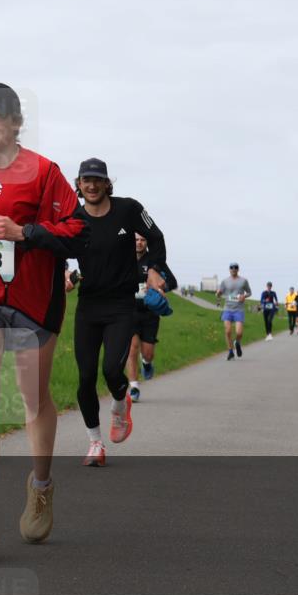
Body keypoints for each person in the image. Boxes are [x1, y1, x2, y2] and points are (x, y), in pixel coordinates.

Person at [0, 83, 88, 547]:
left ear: (16, 122)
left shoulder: (45, 172)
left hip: (34, 302)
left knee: (34, 399)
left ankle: (41, 487)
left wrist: (25, 232)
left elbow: (78, 233)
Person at [72, 158, 169, 467]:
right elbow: (58, 248)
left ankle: (119, 405)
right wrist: (66, 275)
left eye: (97, 180)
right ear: (79, 184)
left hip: (120, 306)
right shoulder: (73, 216)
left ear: (107, 183)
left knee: (112, 371)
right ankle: (95, 443)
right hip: (88, 305)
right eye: (86, 180)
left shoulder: (128, 209)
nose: (92, 185)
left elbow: (156, 237)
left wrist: (154, 268)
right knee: (86, 377)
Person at [125, 232, 177, 403]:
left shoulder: (154, 261)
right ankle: (134, 387)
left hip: (150, 313)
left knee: (147, 353)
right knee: (132, 348)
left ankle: (147, 363)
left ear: (147, 243)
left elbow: (173, 282)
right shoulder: (123, 258)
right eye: (136, 240)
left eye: (142, 240)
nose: (139, 243)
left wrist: (161, 288)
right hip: (130, 311)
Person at [216, 263, 252, 360]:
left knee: (239, 333)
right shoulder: (225, 281)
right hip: (227, 308)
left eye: (235, 267)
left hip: (239, 309)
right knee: (227, 331)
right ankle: (230, 351)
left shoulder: (243, 281)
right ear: (229, 269)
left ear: (238, 269)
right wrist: (218, 293)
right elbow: (219, 294)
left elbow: (249, 292)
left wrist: (244, 296)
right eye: (231, 268)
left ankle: (237, 342)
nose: (233, 269)